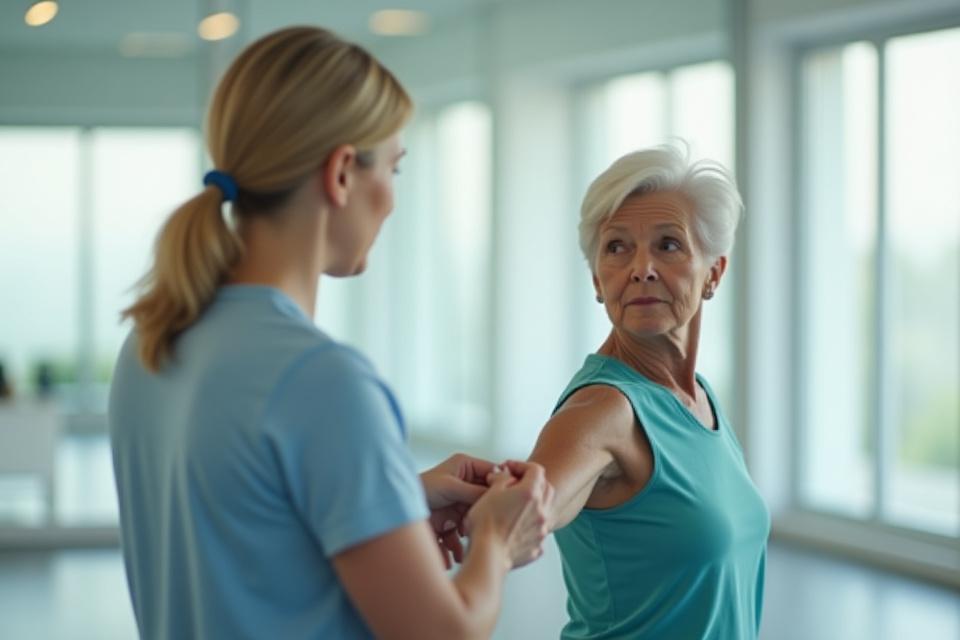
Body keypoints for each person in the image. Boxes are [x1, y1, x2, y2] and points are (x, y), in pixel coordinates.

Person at [109, 26, 551, 640]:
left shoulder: (152, 343)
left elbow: (240, 531)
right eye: (394, 168)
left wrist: (397, 499)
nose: (393, 201)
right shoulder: (321, 381)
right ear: (342, 173)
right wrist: (498, 541)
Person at [528, 144, 770, 639]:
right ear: (598, 280)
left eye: (668, 244)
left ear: (714, 273)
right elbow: (527, 512)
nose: (642, 268)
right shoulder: (601, 410)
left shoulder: (698, 398)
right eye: (617, 247)